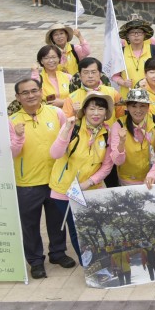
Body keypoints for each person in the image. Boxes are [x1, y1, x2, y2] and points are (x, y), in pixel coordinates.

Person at [8, 77, 73, 279]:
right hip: (27, 183)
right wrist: (18, 136)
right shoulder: (12, 121)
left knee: (56, 220)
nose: (31, 95)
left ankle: (58, 252)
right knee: (30, 225)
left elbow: (67, 141)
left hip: (54, 180)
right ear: (18, 97)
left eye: (34, 91)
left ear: (41, 92)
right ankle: (35, 261)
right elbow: (11, 152)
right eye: (25, 93)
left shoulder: (56, 113)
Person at [49, 92, 120, 264]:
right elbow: (55, 153)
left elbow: (107, 165)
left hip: (92, 190)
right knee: (77, 230)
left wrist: (89, 183)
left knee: (97, 227)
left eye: (100, 109)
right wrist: (66, 129)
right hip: (66, 191)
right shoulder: (72, 128)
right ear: (85, 110)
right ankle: (88, 266)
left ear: (106, 113)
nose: (96, 113)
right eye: (92, 108)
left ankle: (103, 261)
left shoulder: (106, 133)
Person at [112, 88, 155, 186]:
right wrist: (121, 143)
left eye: (142, 106)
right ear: (127, 107)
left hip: (151, 178)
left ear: (148, 106)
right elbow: (117, 161)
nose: (138, 110)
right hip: (127, 180)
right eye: (134, 106)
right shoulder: (118, 125)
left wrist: (154, 174)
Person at [111, 16, 155, 97]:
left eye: (139, 32)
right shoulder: (121, 53)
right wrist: (123, 82)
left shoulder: (152, 50)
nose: (136, 35)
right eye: (132, 33)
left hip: (149, 95)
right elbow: (114, 75)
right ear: (127, 36)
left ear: (144, 35)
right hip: (127, 95)